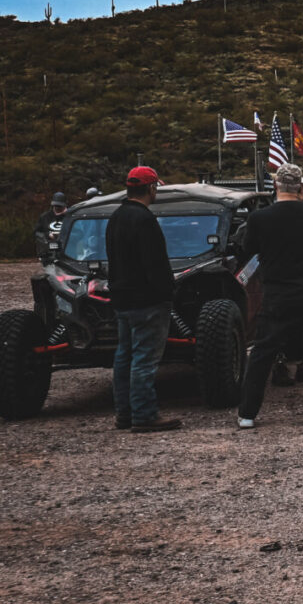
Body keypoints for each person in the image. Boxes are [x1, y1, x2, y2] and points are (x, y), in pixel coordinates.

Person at [233, 163, 303, 429]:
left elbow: (248, 248)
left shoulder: (260, 219)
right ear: (301, 187)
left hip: (278, 293)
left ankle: (248, 413)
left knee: (262, 353)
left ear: (276, 186)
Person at [105, 168, 180, 433]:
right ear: (150, 189)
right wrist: (167, 291)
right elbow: (155, 264)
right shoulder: (144, 220)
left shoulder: (116, 217)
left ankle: (124, 413)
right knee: (144, 360)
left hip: (122, 298)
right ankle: (144, 414)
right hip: (148, 300)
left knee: (124, 356)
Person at [35, 192, 67, 259]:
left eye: (59, 206)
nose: (57, 208)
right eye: (56, 205)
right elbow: (37, 232)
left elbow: (78, 233)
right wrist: (48, 235)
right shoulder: (45, 217)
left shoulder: (70, 216)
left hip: (67, 251)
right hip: (49, 252)